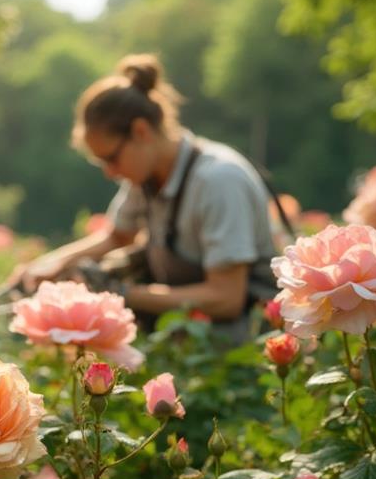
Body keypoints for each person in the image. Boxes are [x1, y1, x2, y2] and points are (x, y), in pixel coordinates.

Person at [17, 53, 283, 341]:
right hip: (190, 340)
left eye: (111, 159)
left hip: (246, 348)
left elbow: (225, 299)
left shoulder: (219, 181)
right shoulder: (145, 177)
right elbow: (117, 237)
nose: (109, 172)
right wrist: (47, 267)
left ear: (140, 131)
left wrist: (121, 294)